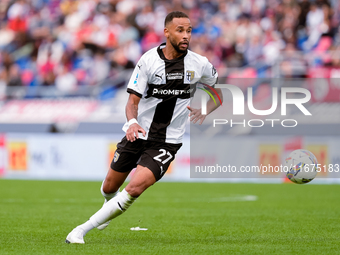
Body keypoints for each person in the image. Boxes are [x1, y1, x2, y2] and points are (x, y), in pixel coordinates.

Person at [65, 11, 223, 244]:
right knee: (109, 186)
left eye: (189, 30)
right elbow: (132, 102)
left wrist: (206, 109)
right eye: (180, 30)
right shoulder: (148, 60)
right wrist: (132, 123)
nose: (186, 35)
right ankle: (108, 206)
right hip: (138, 133)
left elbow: (217, 92)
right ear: (166, 32)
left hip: (167, 142)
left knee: (135, 188)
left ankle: (80, 230)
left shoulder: (199, 64)